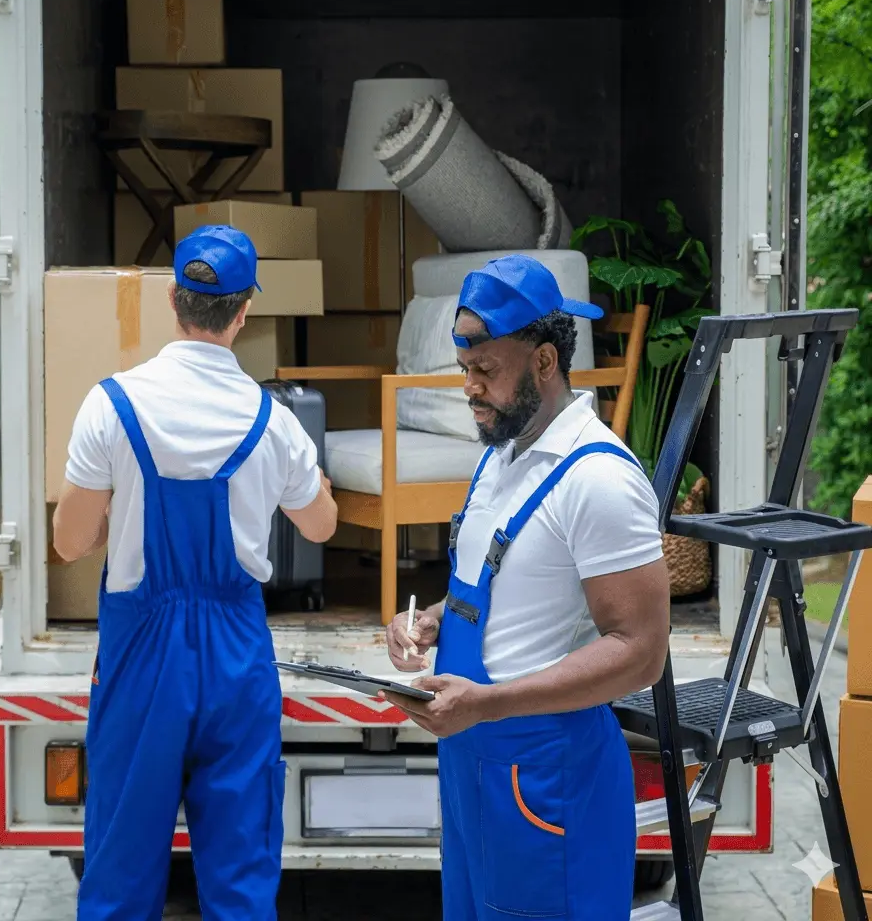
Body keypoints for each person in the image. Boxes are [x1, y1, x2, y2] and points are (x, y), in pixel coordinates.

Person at [52, 224, 338, 921]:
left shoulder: (111, 405)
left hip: (141, 654)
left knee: (120, 871)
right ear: (244, 313)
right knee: (240, 875)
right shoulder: (274, 421)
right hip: (237, 657)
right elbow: (321, 525)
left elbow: (69, 542)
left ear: (173, 302)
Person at [383, 254, 670, 921]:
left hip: (545, 780)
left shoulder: (598, 479)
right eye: (466, 372)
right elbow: (507, 590)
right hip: (473, 766)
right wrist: (432, 621)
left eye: (486, 372)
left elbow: (640, 650)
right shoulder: (498, 458)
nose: (470, 389)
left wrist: (488, 703)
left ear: (545, 362)